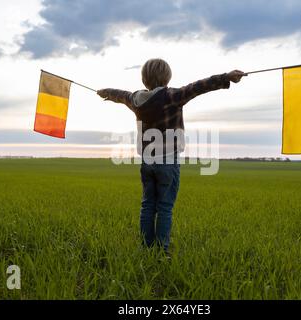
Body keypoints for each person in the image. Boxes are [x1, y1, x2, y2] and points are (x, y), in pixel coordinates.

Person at [97, 58, 245, 254]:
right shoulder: (172, 96)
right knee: (165, 207)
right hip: (168, 162)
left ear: (144, 79)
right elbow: (199, 86)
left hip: (147, 162)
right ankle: (161, 251)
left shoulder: (135, 99)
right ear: (167, 78)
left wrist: (105, 92)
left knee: (148, 205)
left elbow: (120, 95)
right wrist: (226, 77)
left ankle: (146, 248)